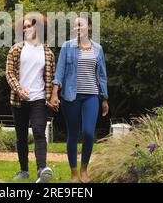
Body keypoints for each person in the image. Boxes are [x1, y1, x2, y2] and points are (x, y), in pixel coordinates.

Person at [49, 15, 109, 183]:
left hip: (91, 96)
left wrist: (104, 99)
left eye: (80, 25)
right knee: (73, 134)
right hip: (70, 97)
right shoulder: (67, 47)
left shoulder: (98, 49)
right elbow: (59, 72)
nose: (77, 29)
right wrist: (54, 94)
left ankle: (84, 169)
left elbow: (102, 76)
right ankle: (74, 173)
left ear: (89, 27)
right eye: (75, 26)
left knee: (89, 133)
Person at [6, 12, 57, 183]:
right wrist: (19, 89)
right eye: (25, 27)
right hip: (19, 100)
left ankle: (42, 170)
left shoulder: (48, 53)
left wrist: (52, 97)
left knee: (38, 132)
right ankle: (23, 171)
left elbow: (51, 78)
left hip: (39, 99)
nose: (27, 29)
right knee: (21, 136)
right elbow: (9, 73)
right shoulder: (15, 49)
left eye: (30, 26)